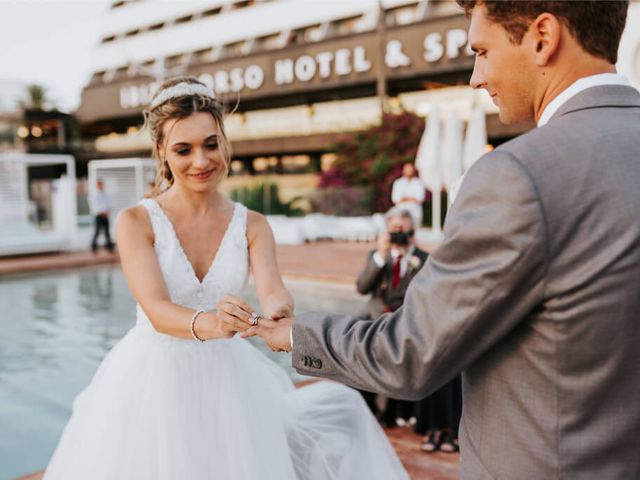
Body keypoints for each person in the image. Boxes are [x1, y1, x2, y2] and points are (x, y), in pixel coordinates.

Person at [225, 2, 640, 478]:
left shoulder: (518, 175)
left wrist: (294, 334)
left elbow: (411, 352)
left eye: (482, 51)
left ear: (542, 37)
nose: (475, 77)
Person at [43, 77, 408, 480]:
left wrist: (277, 313)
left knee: (339, 410)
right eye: (183, 149)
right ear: (162, 153)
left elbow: (273, 290)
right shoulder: (136, 222)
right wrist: (213, 323)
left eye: (211, 144)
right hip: (151, 383)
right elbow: (158, 310)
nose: (201, 161)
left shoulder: (253, 224)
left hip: (229, 382)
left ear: (224, 142)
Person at [355, 208, 427, 427]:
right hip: (374, 320)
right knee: (357, 343)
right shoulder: (377, 256)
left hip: (405, 321)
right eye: (394, 230)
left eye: (403, 230)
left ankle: (393, 411)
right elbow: (362, 287)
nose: (398, 235)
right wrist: (380, 255)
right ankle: (367, 406)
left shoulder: (423, 259)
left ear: (413, 231)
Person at [390, 162, 425, 227]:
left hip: (415, 212)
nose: (409, 172)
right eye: (407, 170)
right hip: (400, 212)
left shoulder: (419, 183)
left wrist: (404, 199)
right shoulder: (398, 183)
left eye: (410, 170)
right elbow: (395, 199)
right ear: (403, 171)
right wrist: (412, 199)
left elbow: (420, 198)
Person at [89, 179, 114, 253]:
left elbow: (109, 204)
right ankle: (94, 247)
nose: (101, 186)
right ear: (97, 185)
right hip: (98, 216)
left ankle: (109, 247)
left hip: (105, 216)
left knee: (107, 232)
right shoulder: (94, 195)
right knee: (96, 232)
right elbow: (94, 207)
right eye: (99, 184)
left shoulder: (106, 194)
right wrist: (102, 212)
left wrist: (107, 212)